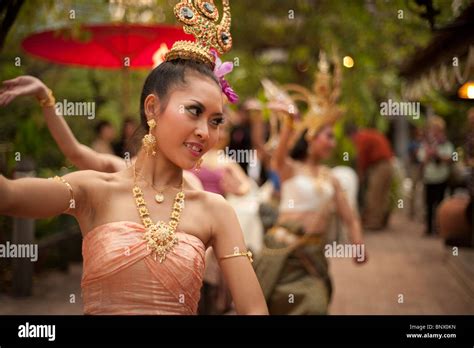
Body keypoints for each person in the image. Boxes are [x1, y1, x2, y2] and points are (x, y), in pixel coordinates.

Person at [0, 1, 268, 315]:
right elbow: (8, 196)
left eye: (216, 121)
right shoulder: (94, 190)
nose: (205, 132)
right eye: (194, 111)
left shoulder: (215, 211)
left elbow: (255, 311)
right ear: (153, 108)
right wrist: (47, 101)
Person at [254, 54, 366, 315]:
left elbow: (350, 218)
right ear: (312, 136)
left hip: (312, 257)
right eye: (328, 136)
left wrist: (358, 243)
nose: (333, 142)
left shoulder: (332, 178)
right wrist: (290, 123)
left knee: (315, 306)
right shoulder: (290, 168)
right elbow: (278, 156)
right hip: (281, 254)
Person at [345, 124, 394, 230]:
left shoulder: (361, 137)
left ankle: (373, 223)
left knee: (374, 195)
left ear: (351, 134)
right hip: (389, 164)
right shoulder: (369, 133)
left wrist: (360, 175)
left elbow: (361, 158)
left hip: (380, 166)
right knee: (382, 195)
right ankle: (381, 222)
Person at [417, 116, 454, 236]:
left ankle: (439, 227)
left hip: (441, 177)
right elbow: (421, 160)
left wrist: (438, 155)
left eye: (437, 129)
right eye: (433, 129)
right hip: (429, 178)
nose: (435, 132)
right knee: (428, 204)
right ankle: (429, 228)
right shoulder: (426, 144)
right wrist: (428, 155)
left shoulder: (446, 144)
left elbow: (452, 158)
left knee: (440, 203)